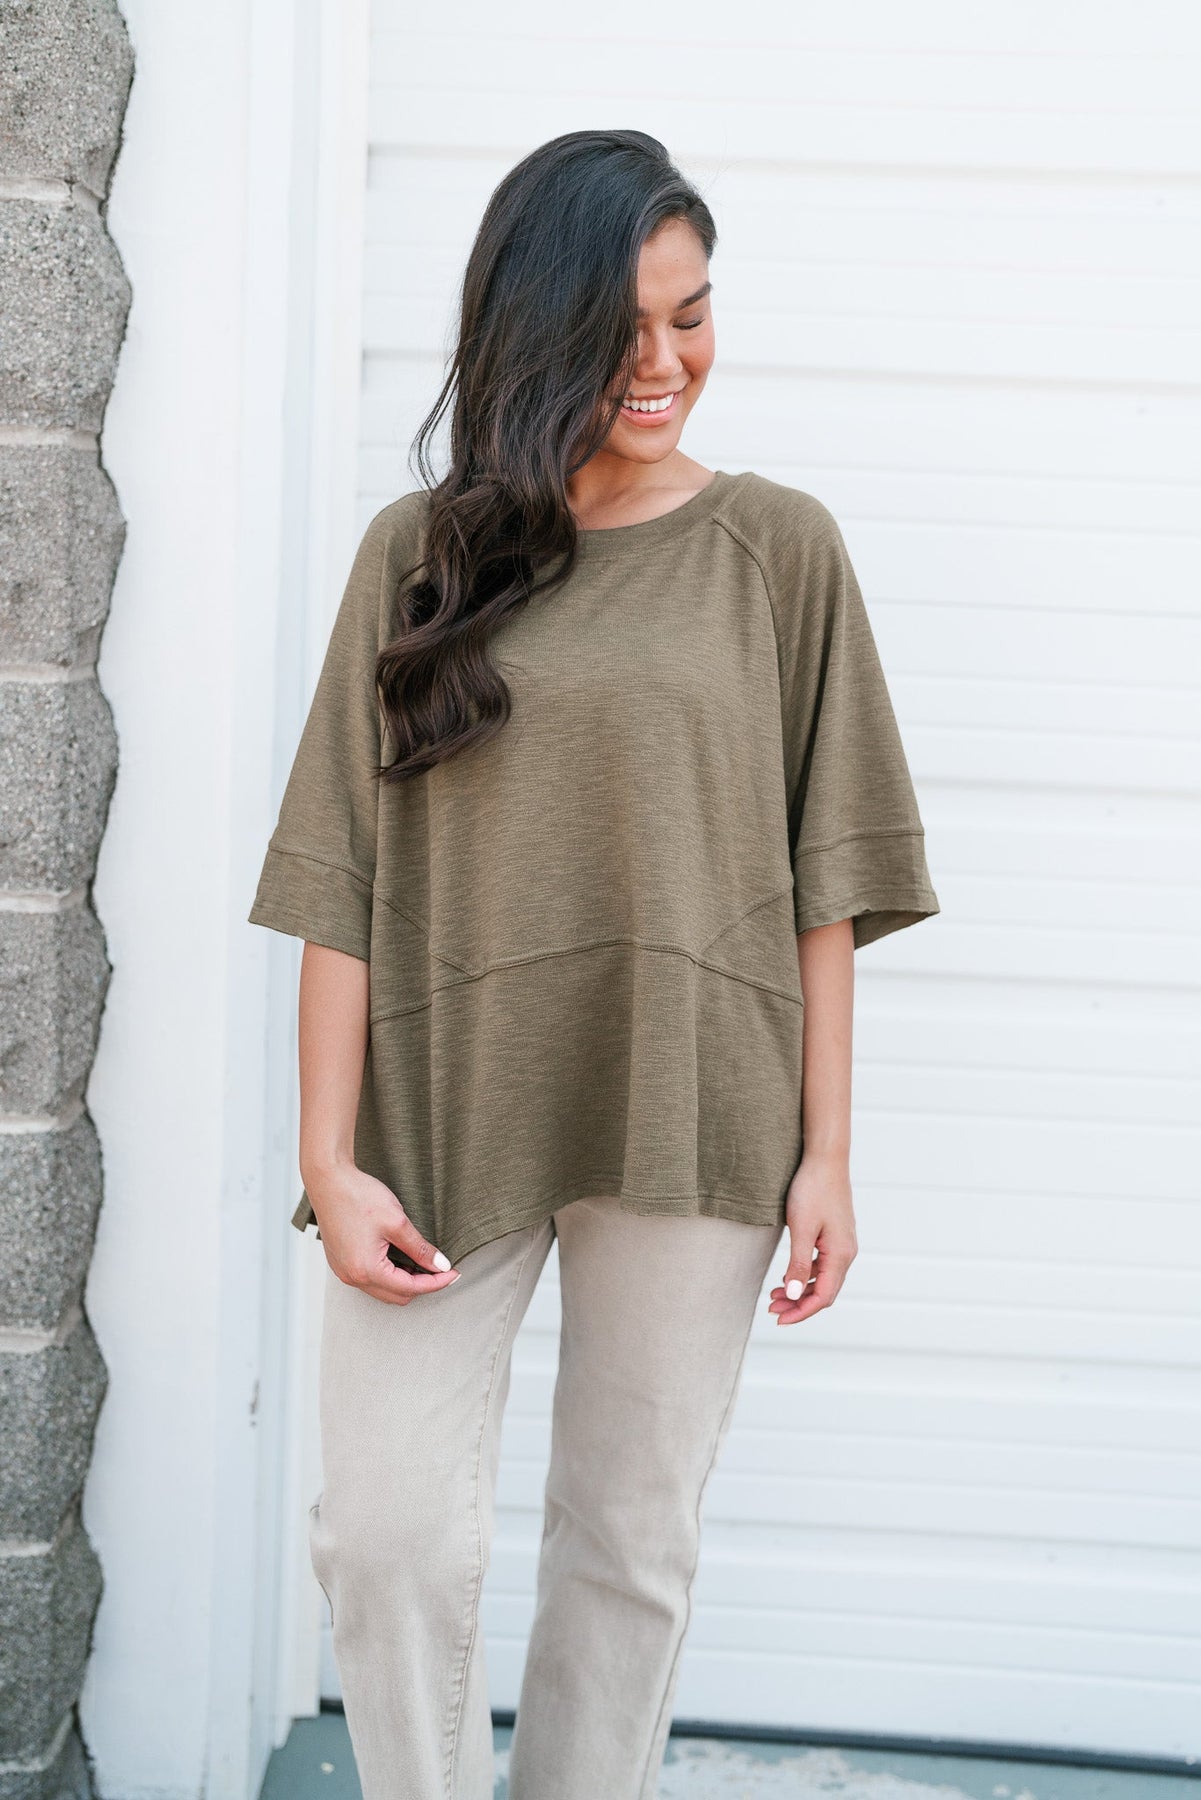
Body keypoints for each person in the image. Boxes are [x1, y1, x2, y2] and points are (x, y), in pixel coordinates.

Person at [248, 128, 939, 1800]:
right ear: (532, 331)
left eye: (691, 316)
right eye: (622, 328)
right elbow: (338, 873)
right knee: (386, 1537)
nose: (665, 363)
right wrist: (325, 1159)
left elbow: (826, 878)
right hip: (438, 1112)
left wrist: (829, 1152)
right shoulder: (416, 556)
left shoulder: (777, 548)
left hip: (692, 1105)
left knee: (629, 1544)